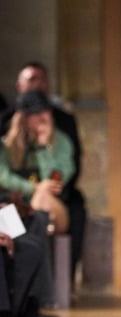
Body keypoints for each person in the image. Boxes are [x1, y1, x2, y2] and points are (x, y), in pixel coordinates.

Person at [1, 62, 87, 285]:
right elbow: (2, 175)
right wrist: (33, 187)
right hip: (16, 207)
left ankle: (39, 288)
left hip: (52, 207)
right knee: (20, 217)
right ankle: (33, 290)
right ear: (24, 117)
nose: (42, 119)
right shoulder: (8, 144)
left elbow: (57, 179)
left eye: (45, 113)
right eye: (36, 114)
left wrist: (45, 146)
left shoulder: (61, 142)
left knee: (44, 199)